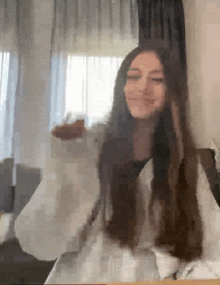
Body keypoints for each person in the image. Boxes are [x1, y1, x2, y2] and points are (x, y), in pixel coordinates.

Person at [14, 40, 220, 283]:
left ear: (172, 91)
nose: (143, 87)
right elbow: (39, 244)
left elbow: (212, 248)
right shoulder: (88, 151)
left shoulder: (188, 164)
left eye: (157, 79)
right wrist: (66, 168)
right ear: (121, 86)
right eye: (133, 77)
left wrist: (175, 277)